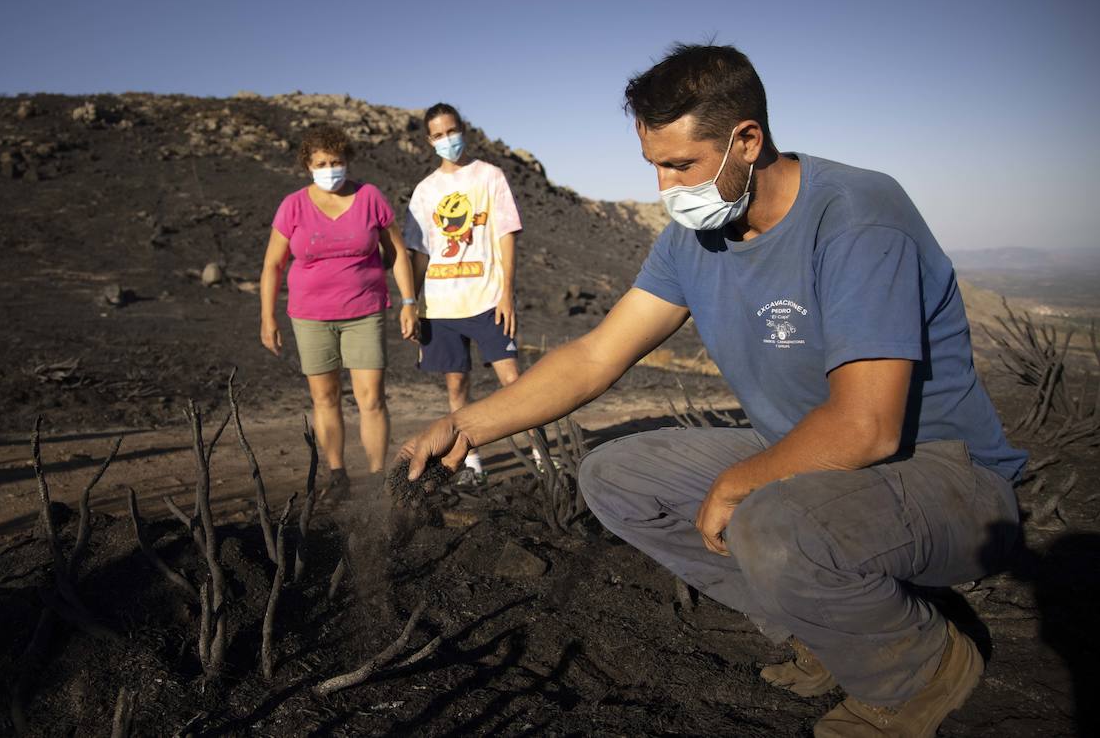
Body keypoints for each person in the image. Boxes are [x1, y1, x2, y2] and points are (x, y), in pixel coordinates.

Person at [400, 44, 1027, 736]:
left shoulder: (856, 215)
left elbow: (869, 427)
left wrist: (738, 487)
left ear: (747, 140)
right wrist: (467, 428)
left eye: (681, 166)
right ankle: (822, 627)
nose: (666, 189)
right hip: (807, 460)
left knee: (768, 517)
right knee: (616, 477)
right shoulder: (691, 240)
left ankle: (921, 669)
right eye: (655, 167)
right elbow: (595, 355)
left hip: (944, 477)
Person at [260, 126, 418, 497]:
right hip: (311, 317)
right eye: (321, 163)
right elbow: (272, 265)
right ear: (308, 166)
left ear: (347, 161)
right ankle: (337, 473)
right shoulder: (293, 205)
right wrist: (268, 317)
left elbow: (396, 254)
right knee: (325, 398)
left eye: (336, 162)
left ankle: (380, 477)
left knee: (371, 398)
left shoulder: (370, 197)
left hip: (364, 312)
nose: (329, 169)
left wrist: (409, 302)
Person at [402, 103, 525, 486]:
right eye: (438, 135)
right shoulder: (425, 191)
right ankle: (472, 462)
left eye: (451, 131)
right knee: (457, 385)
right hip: (440, 305)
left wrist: (507, 293)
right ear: (429, 141)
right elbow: (419, 254)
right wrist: (410, 303)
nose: (447, 140)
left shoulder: (489, 177)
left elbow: (506, 236)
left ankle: (540, 452)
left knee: (515, 383)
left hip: (487, 299)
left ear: (463, 130)